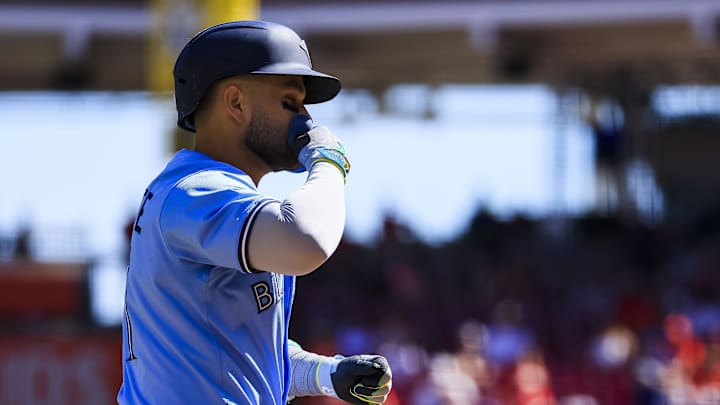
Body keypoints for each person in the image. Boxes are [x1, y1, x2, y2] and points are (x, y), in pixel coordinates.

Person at [117, 20, 392, 405]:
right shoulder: (195, 190)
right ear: (236, 103)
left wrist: (326, 374)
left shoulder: (201, 191)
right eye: (289, 103)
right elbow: (306, 239)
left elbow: (242, 353)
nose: (306, 121)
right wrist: (328, 162)